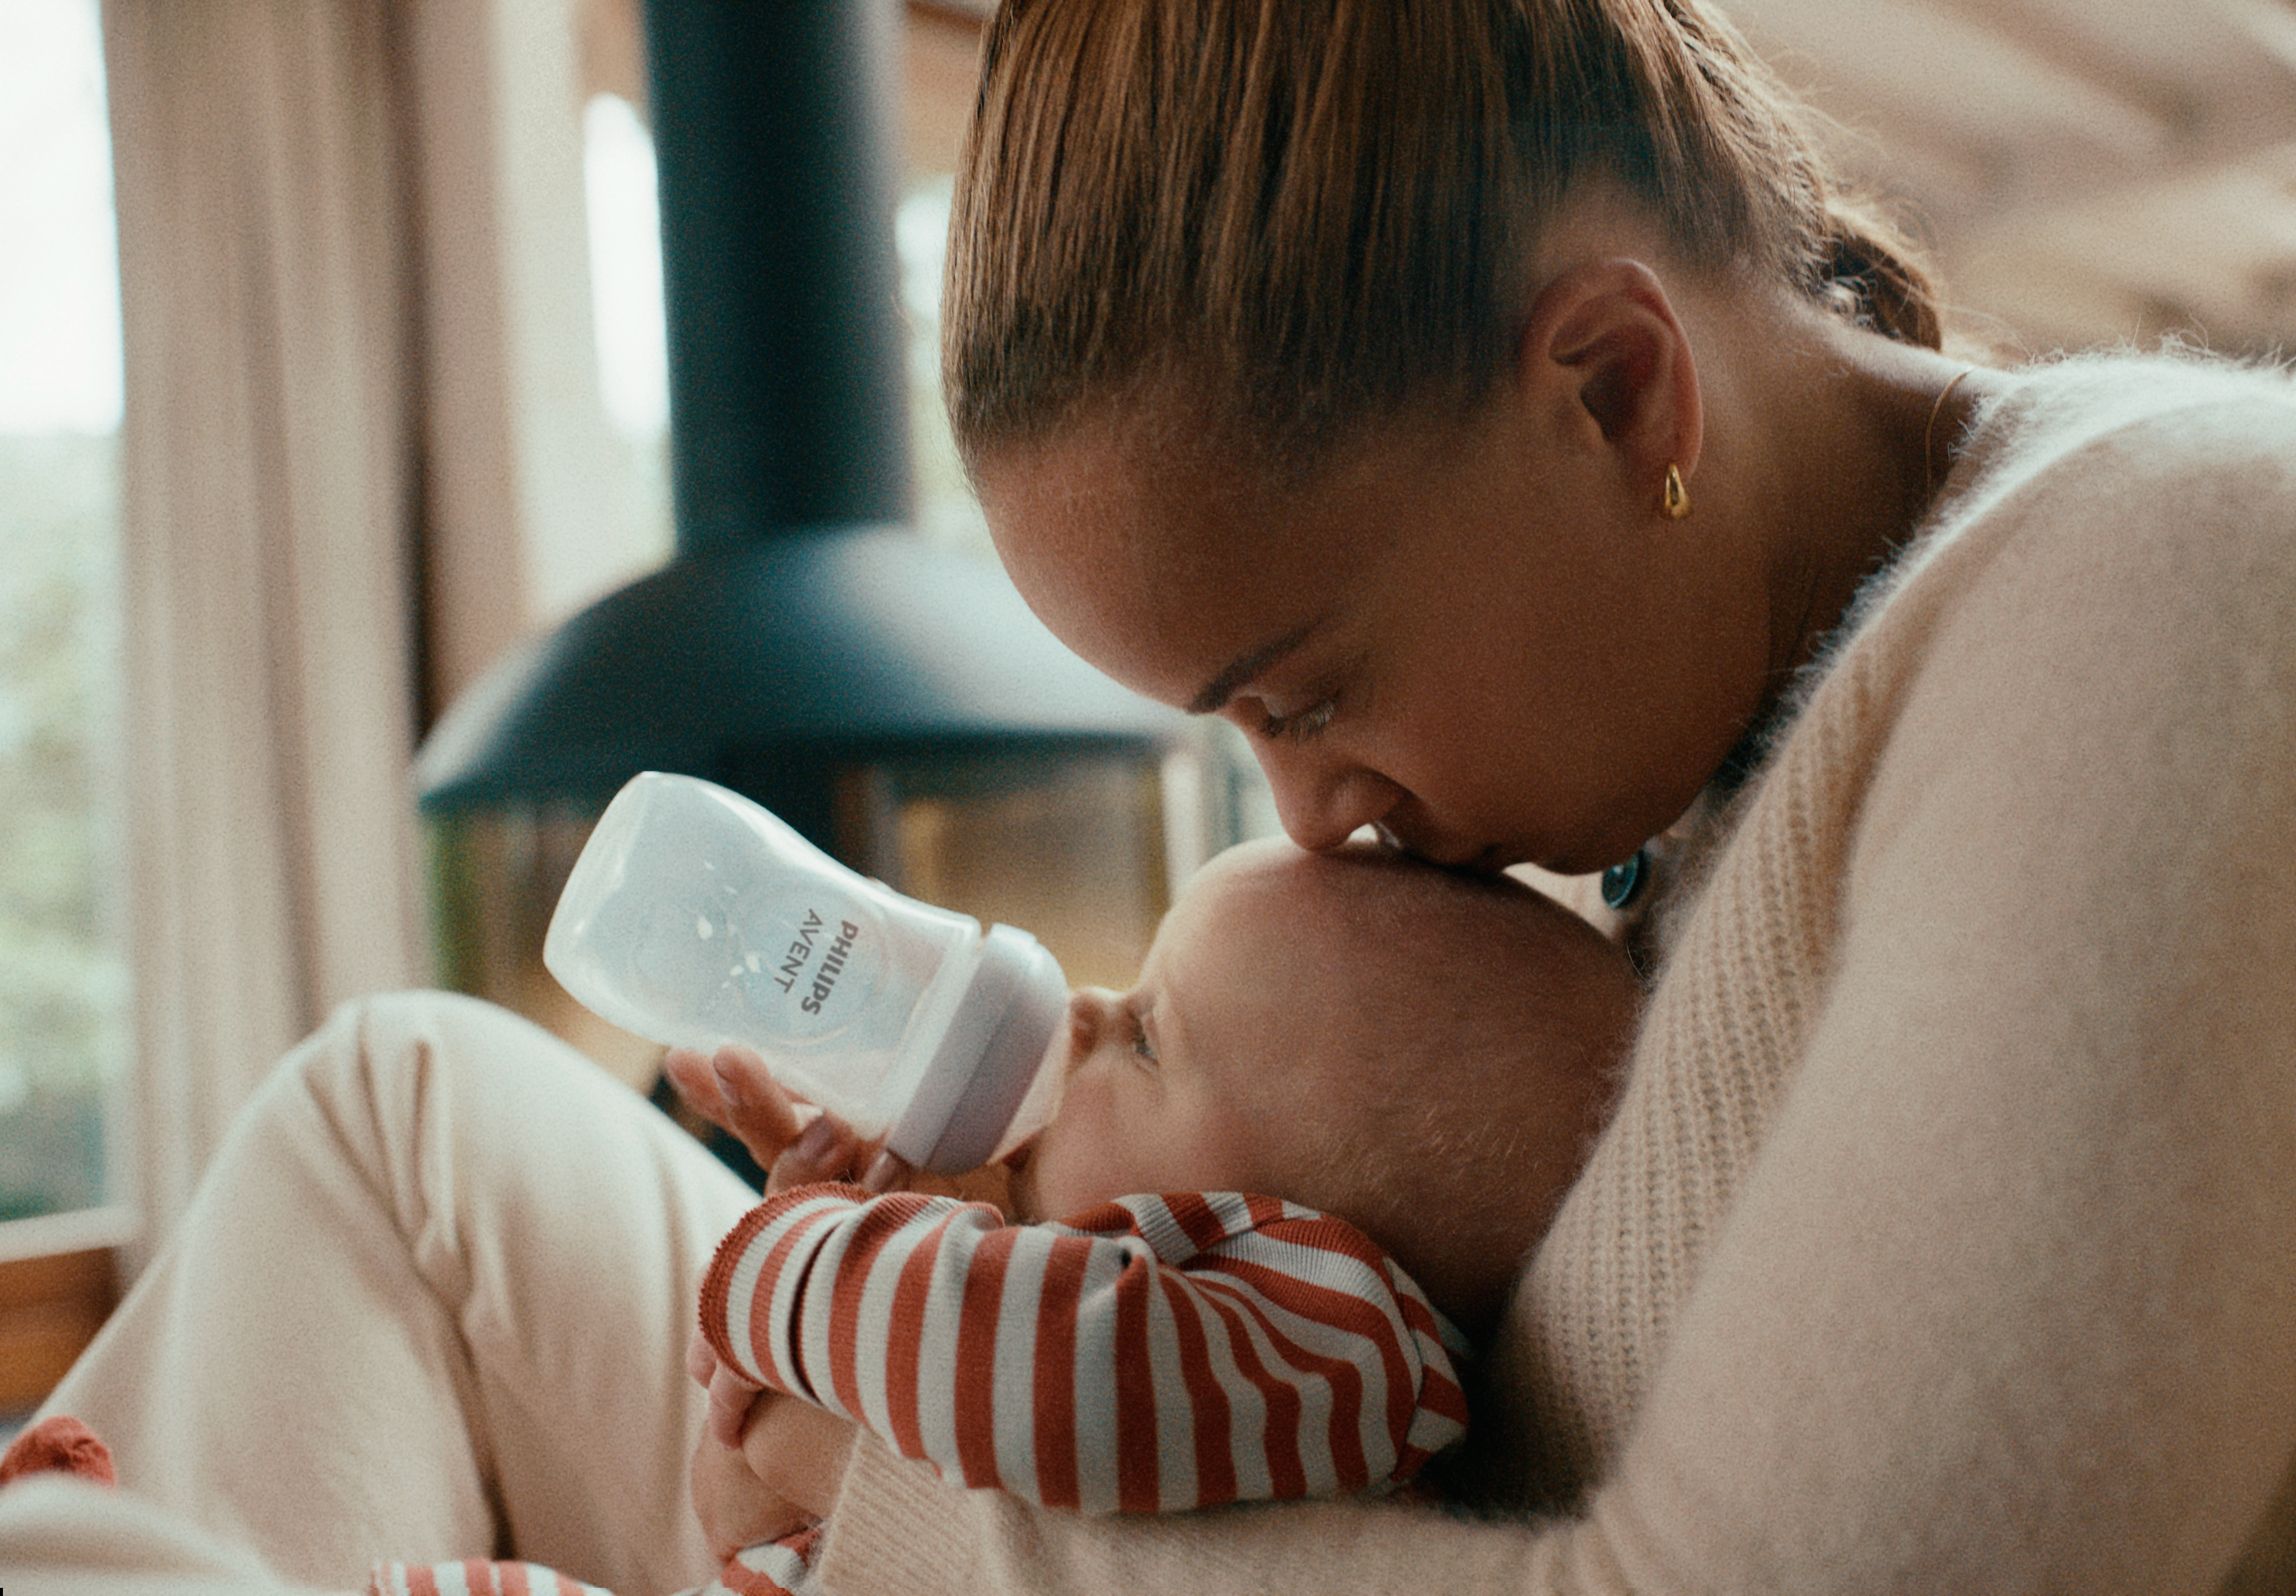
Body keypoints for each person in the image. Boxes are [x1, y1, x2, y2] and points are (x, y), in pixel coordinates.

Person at [709, 0, 2296, 1590]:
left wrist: (898, 1502)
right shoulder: (1696, 758)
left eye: (1311, 695)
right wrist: (1005, 1220)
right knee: (450, 1113)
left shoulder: (2187, 584)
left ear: (1614, 390)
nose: (1317, 822)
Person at [5, 837, 1633, 1595]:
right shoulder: (1245, 1342)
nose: (1076, 1003)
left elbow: (1024, 1370)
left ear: (1299, 1212)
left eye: (1149, 1031)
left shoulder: (1341, 1332)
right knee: (395, 1077)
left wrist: (788, 1269)